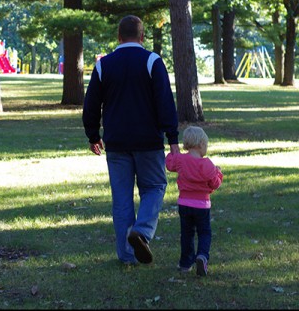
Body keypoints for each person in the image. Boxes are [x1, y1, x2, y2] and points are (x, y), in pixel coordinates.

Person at [82, 15, 180, 266]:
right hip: (148, 141)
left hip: (116, 142)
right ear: (142, 36)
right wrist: (173, 139)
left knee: (122, 198)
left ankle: (127, 255)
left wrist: (93, 135)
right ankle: (143, 231)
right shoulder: (152, 61)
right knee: (155, 187)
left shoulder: (104, 65)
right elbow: (164, 102)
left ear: (118, 36)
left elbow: (91, 104)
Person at [165, 125, 223, 276]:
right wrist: (218, 173)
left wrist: (173, 153)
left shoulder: (180, 160)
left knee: (187, 233)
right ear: (201, 144)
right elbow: (214, 184)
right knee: (204, 232)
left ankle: (185, 264)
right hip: (202, 205)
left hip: (184, 203)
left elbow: (169, 164)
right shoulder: (207, 164)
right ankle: (202, 256)